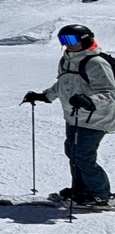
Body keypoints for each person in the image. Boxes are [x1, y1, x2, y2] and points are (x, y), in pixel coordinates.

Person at [22, 23, 115, 205]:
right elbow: (62, 83)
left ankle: (100, 194)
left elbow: (110, 93)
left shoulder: (96, 63)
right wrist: (45, 96)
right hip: (74, 117)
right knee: (72, 152)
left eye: (71, 39)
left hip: (95, 118)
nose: (67, 44)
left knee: (83, 156)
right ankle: (81, 189)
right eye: (63, 40)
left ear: (85, 40)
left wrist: (89, 101)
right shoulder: (67, 60)